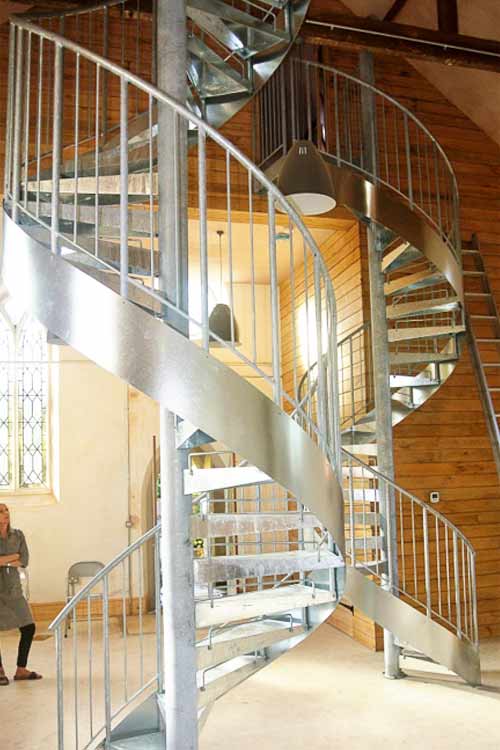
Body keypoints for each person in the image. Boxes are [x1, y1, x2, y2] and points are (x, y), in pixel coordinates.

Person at [0, 503, 41, 685]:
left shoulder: (18, 535)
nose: (5, 514)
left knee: (28, 626)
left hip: (14, 588)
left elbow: (24, 559)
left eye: (6, 510)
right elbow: (16, 558)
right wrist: (12, 557)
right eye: (1, 511)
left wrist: (4, 560)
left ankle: (21, 669)